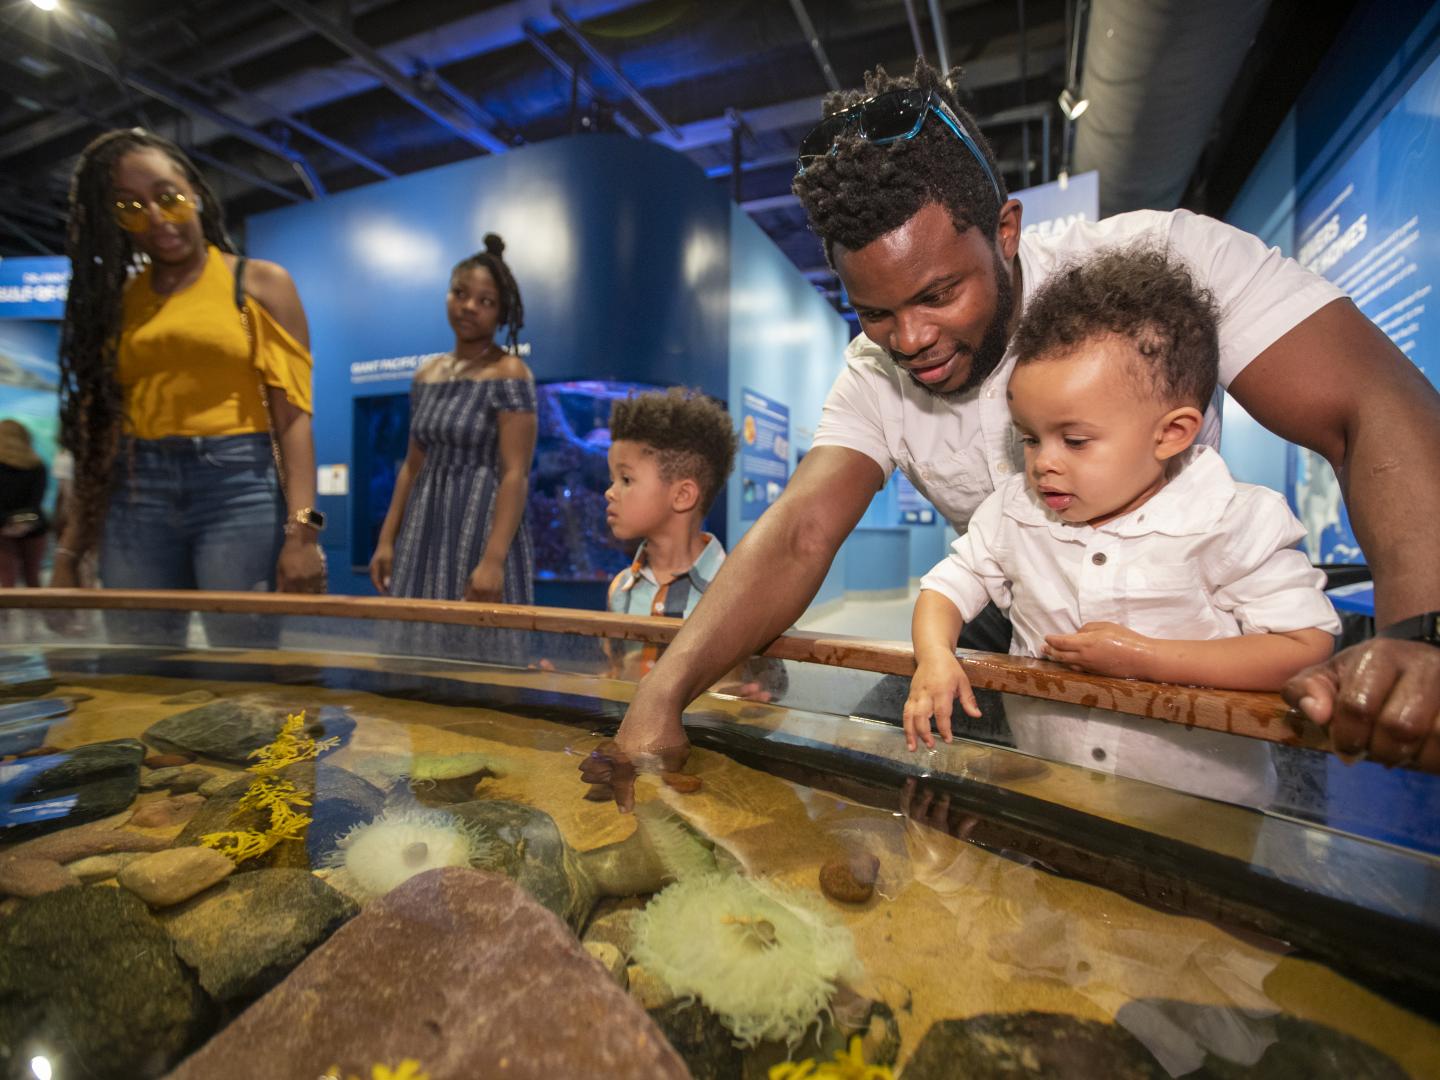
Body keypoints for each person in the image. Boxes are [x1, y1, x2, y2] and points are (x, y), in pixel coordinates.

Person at [590, 59, 1440, 806]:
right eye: (876, 312)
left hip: (1187, 619)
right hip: (1022, 613)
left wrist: (1422, 639)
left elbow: (1372, 405)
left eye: (937, 294)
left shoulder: (1163, 267)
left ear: (1006, 231)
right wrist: (660, 700)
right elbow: (803, 529)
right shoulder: (872, 370)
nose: (911, 338)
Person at [904, 248, 1338, 801]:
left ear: (1172, 433)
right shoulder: (1016, 510)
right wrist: (937, 657)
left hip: (1199, 814)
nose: (1043, 463)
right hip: (1052, 788)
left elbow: (1302, 646)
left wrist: (1142, 658)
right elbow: (947, 586)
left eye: (1075, 440)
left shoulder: (1230, 519)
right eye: (1030, 437)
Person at [50, 128, 325, 643]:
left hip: (237, 489)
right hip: (135, 493)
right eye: (130, 207)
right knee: (139, 671)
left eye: (168, 197)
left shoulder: (260, 283)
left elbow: (292, 418)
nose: (155, 218)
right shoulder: (116, 304)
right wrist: (70, 550)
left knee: (246, 668)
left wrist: (304, 533)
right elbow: (100, 437)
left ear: (195, 191)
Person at [368, 235, 537, 654]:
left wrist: (495, 560)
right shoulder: (426, 375)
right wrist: (387, 540)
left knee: (483, 647)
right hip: (425, 524)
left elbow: (516, 472)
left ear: (502, 312)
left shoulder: (509, 371)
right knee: (415, 650)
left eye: (485, 301)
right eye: (460, 294)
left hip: (481, 523)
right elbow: (411, 465)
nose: (468, 307)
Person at [602, 388, 739, 679]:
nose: (609, 492)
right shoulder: (620, 589)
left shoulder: (740, 593)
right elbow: (615, 675)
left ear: (683, 495)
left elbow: (771, 689)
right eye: (612, 478)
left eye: (626, 479)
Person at [0, 420, 49, 589]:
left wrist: (6, 522)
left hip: (2, 527)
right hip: (33, 526)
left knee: (7, 578)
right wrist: (23, 522)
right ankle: (39, 615)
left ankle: (5, 616)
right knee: (33, 577)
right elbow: (36, 500)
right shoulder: (37, 464)